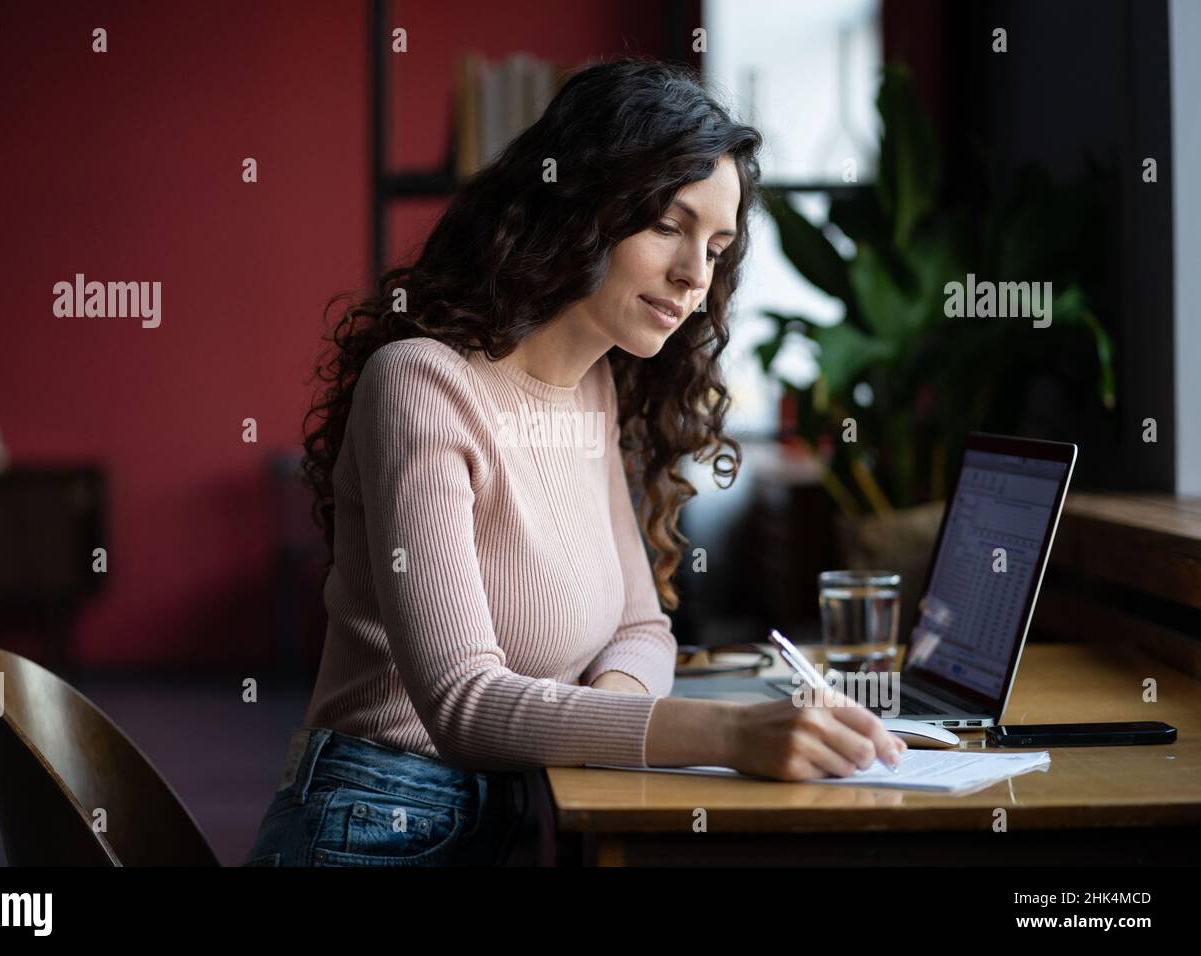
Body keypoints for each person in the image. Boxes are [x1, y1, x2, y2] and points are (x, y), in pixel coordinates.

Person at [245, 56, 905, 868]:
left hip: (531, 811)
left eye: (718, 245)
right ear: (580, 208)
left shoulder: (595, 389)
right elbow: (460, 704)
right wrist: (732, 732)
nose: (697, 275)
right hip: (379, 821)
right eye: (668, 224)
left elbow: (641, 629)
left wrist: (600, 722)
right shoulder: (420, 384)